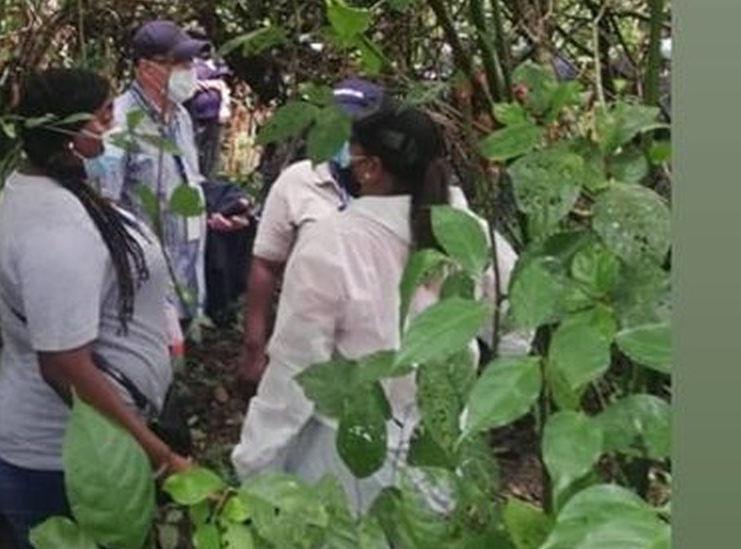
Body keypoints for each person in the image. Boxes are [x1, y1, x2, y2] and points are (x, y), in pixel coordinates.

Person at [231, 103, 530, 514]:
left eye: (350, 154)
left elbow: (298, 372)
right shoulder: (470, 233)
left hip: (348, 459)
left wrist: (255, 462)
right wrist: (482, 402)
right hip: (440, 459)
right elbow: (519, 317)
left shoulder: (331, 243)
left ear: (370, 167)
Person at [0, 68, 191, 548]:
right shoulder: (57, 229)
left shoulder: (47, 185)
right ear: (72, 132)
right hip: (60, 461)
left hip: (84, 453)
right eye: (104, 115)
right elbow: (64, 365)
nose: (113, 126)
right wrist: (160, 458)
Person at [97, 20, 250, 329]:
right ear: (144, 68)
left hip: (186, 280)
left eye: (190, 61)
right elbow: (105, 207)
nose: (188, 69)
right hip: (144, 286)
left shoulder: (180, 116)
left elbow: (186, 181)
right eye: (178, 63)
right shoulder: (119, 125)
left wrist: (217, 210)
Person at [237, 78, 384, 388]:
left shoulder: (395, 189)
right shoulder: (297, 182)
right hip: (303, 350)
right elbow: (266, 264)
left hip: (374, 353)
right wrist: (254, 345)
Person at [185, 55, 233, 179]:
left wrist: (225, 106)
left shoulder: (217, 63)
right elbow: (188, 85)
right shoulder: (190, 62)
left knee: (212, 152)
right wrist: (208, 84)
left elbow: (224, 86)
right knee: (193, 149)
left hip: (214, 116)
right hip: (194, 115)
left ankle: (209, 180)